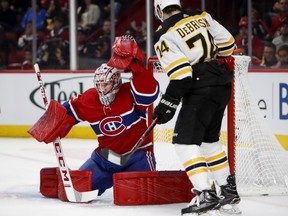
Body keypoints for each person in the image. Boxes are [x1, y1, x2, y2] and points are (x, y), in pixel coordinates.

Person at [28, 36, 160, 198]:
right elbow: (68, 111)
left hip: (137, 156)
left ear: (116, 82)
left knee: (138, 197)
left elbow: (148, 95)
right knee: (75, 189)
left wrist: (137, 67)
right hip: (104, 160)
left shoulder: (129, 92)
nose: (102, 89)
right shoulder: (90, 99)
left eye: (106, 84)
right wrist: (53, 122)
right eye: (99, 85)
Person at [152, 0, 241, 215]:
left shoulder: (164, 35)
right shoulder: (201, 15)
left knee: (184, 143)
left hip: (201, 86)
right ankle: (228, 193)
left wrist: (167, 103)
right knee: (209, 141)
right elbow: (229, 45)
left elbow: (182, 76)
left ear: (158, 9)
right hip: (221, 83)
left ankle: (204, 194)